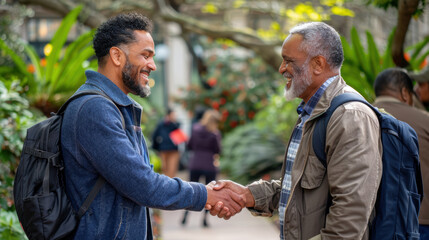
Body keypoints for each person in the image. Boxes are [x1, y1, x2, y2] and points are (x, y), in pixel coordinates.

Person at [60, 13, 244, 239]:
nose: (153, 65)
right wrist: (206, 195)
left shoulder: (115, 107)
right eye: (145, 56)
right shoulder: (95, 109)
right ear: (116, 56)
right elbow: (143, 185)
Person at [208, 22, 383, 240]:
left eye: (289, 61)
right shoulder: (311, 113)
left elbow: (349, 218)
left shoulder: (350, 116)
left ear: (318, 64)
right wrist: (246, 195)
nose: (281, 68)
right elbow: (298, 189)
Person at [372, 68, 429, 239]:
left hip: (371, 221)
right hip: (420, 221)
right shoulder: (424, 120)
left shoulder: (359, 117)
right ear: (405, 93)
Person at [181, 109, 222, 227]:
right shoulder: (215, 134)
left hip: (195, 163)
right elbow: (218, 150)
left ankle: (185, 216)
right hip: (209, 165)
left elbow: (189, 145)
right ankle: (204, 219)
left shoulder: (195, 129)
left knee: (191, 191)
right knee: (209, 194)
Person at [151, 108, 181, 177]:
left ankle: (172, 186)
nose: (174, 116)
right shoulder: (161, 124)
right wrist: (156, 148)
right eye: (173, 114)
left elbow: (179, 137)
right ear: (168, 115)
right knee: (164, 169)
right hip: (163, 150)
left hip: (173, 150)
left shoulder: (175, 124)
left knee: (172, 170)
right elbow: (155, 136)